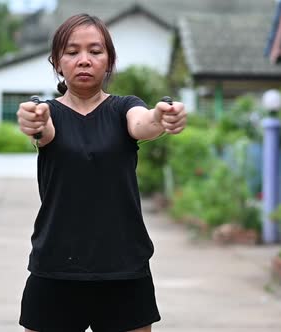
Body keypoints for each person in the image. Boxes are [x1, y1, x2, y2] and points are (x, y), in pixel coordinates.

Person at [16, 13, 186, 332]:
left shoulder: (124, 108)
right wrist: (33, 122)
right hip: (55, 268)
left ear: (108, 61)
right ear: (57, 62)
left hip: (124, 269)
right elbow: (43, 130)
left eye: (95, 51)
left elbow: (142, 123)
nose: (84, 60)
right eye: (72, 52)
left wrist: (161, 118)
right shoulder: (47, 114)